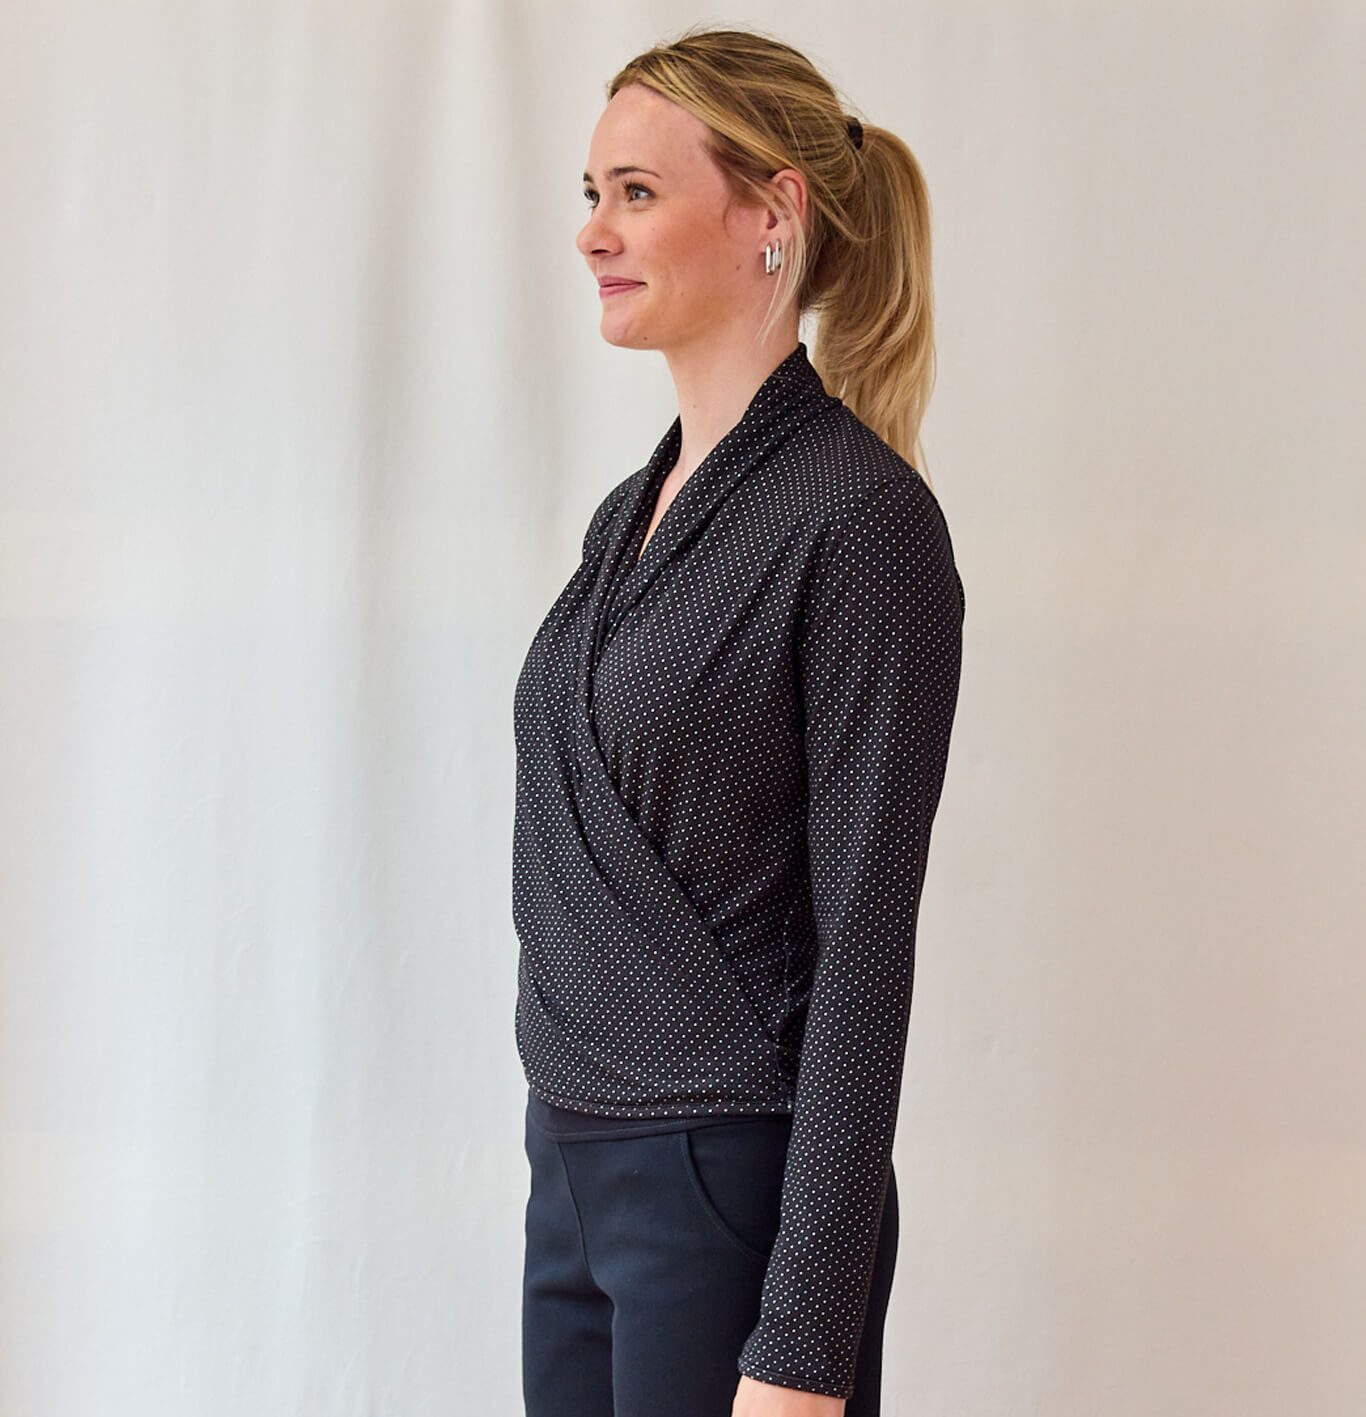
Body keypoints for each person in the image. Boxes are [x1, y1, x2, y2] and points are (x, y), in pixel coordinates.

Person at [512, 24, 965, 1417]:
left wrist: (804, 1339)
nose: (594, 231)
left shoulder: (862, 522)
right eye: (592, 193)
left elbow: (865, 948)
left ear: (773, 212)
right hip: (570, 1166)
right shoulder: (626, 521)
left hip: (725, 1188)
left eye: (638, 192)